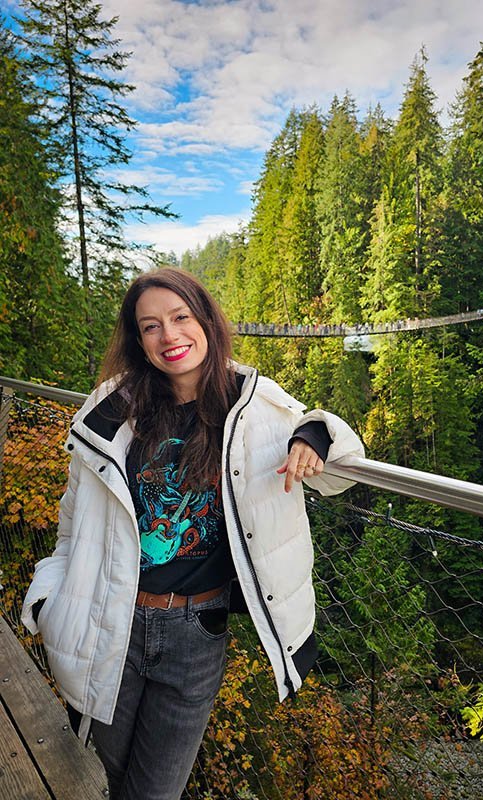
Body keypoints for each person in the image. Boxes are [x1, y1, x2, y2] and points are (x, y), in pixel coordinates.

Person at [21, 268, 364, 800]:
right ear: (139, 340)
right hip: (112, 616)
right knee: (104, 774)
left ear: (206, 318)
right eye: (151, 326)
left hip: (195, 631)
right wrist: (48, 599)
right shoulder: (115, 408)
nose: (170, 336)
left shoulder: (253, 404)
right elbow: (73, 523)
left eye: (181, 317)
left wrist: (316, 432)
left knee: (156, 790)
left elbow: (342, 466)